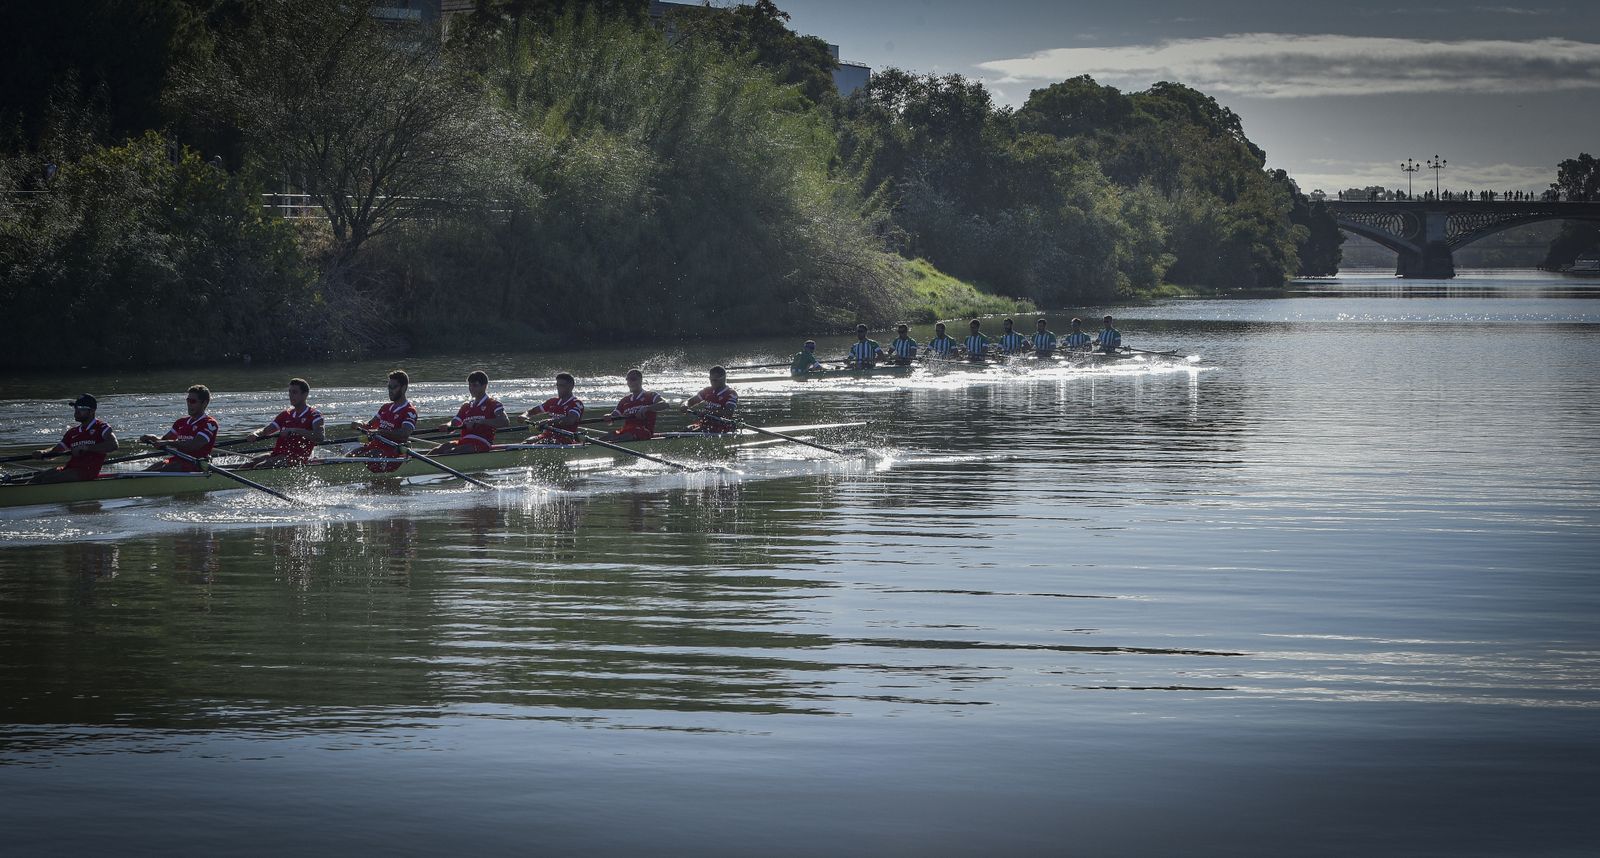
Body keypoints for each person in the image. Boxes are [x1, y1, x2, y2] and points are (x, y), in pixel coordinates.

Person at [26, 394, 117, 484]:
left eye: (81, 408)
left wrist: (86, 447)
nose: (77, 411)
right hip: (70, 469)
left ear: (92, 411)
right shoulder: (72, 432)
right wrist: (44, 452)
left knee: (48, 480)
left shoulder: (101, 427)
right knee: (35, 480)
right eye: (76, 408)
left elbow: (113, 445)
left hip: (87, 472)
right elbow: (57, 450)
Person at [241, 378, 325, 469]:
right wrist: (256, 433)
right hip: (277, 454)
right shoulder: (285, 414)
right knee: (247, 464)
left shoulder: (314, 415)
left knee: (261, 466)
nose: (290, 395)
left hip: (297, 458)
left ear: (305, 395)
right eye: (289, 392)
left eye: (294, 392)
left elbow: (319, 437)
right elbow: (266, 430)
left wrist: (295, 430)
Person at [346, 370, 417, 472]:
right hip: (374, 447)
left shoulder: (409, 411)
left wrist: (381, 432)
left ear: (404, 387)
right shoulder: (385, 408)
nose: (390, 390)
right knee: (353, 454)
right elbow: (369, 426)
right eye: (389, 387)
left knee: (372, 454)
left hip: (393, 452)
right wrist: (360, 423)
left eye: (394, 387)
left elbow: (404, 434)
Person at [140, 385, 218, 472]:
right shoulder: (181, 422)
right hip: (178, 460)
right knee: (155, 467)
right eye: (188, 400)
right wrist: (152, 438)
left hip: (197, 464)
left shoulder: (210, 424)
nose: (189, 404)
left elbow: (194, 445)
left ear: (204, 403)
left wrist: (169, 442)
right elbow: (164, 440)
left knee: (168, 468)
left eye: (193, 401)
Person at [430, 370, 509, 455]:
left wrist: (480, 421)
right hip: (464, 441)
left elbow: (505, 421)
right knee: (438, 449)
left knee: (451, 452)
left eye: (475, 385)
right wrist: (448, 425)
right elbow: (455, 422)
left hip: (482, 443)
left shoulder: (494, 404)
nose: (471, 388)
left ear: (484, 386)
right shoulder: (466, 406)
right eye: (470, 385)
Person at [600, 369, 668, 442]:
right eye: (628, 380)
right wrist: (608, 417)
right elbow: (612, 418)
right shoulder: (624, 400)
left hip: (643, 432)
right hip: (626, 432)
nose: (630, 382)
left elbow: (665, 404)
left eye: (633, 379)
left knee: (626, 435)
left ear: (640, 380)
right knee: (609, 436)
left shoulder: (651, 395)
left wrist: (647, 408)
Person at [522, 372, 585, 444]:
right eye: (557, 385)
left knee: (545, 442)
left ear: (571, 386)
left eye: (562, 386)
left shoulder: (576, 403)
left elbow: (570, 420)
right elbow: (532, 411)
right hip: (546, 436)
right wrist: (524, 415)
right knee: (528, 441)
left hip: (566, 438)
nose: (558, 388)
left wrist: (548, 421)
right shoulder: (552, 401)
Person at [685, 366, 739, 433]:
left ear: (723, 379)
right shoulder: (707, 391)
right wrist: (685, 405)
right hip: (705, 425)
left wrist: (709, 412)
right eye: (711, 380)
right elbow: (691, 401)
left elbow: (728, 412)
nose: (712, 382)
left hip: (722, 427)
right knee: (687, 428)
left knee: (695, 431)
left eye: (715, 380)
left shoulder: (731, 394)